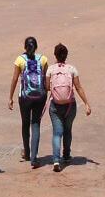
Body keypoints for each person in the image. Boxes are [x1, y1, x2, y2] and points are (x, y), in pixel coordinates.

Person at [46, 43, 91, 172]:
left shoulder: (51, 69)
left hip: (55, 105)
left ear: (55, 55)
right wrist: (86, 103)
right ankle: (66, 155)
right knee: (68, 130)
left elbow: (47, 87)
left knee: (57, 133)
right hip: (70, 106)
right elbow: (78, 87)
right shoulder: (72, 69)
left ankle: (56, 159)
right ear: (66, 55)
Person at [8, 36, 48, 167]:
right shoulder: (43, 59)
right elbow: (46, 79)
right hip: (40, 96)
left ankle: (27, 152)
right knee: (35, 124)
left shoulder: (20, 60)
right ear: (36, 47)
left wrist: (10, 97)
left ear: (25, 47)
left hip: (25, 97)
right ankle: (34, 158)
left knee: (25, 123)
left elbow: (14, 79)